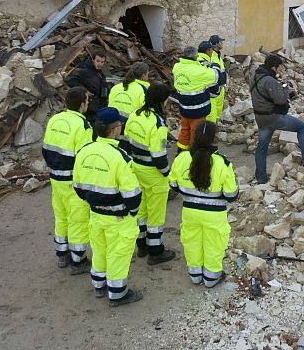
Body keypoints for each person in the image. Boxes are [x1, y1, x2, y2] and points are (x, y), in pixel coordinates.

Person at [73, 107, 143, 307]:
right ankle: (118, 293)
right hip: (118, 217)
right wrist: (132, 211)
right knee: (118, 254)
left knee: (100, 250)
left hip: (96, 214)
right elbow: (132, 194)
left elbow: (77, 186)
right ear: (115, 130)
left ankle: (99, 284)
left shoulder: (84, 152)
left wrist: (94, 202)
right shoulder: (120, 157)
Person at [168, 121, 238, 287]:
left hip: (190, 211)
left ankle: (195, 275)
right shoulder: (222, 162)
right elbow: (231, 194)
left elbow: (173, 185)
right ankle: (211, 278)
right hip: (215, 215)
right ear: (214, 139)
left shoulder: (182, 158)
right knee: (214, 244)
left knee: (192, 242)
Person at [41, 86, 93, 273]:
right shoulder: (83, 126)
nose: (88, 103)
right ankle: (78, 261)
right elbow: (84, 159)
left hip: (56, 177)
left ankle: (61, 254)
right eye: (87, 100)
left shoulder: (55, 119)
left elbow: (46, 148)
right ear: (81, 104)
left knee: (61, 216)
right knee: (77, 219)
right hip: (72, 180)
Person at [124, 82, 177, 265]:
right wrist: (167, 174)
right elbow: (159, 156)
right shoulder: (158, 124)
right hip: (153, 174)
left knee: (142, 210)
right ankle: (156, 251)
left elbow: (127, 138)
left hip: (137, 168)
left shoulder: (135, 114)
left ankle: (142, 246)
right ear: (161, 101)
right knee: (155, 216)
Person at [250, 54, 304, 184]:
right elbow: (280, 100)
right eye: (280, 68)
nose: (280, 71)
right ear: (273, 67)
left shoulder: (254, 76)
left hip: (260, 117)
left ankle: (261, 178)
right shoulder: (269, 80)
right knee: (301, 127)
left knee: (262, 147)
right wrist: (286, 89)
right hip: (273, 117)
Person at [172, 45, 220, 152]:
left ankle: (181, 151)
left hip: (184, 109)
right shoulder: (199, 71)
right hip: (198, 111)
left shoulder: (177, 67)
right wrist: (214, 65)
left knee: (185, 131)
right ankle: (194, 153)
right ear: (196, 56)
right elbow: (217, 77)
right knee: (196, 133)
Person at [66, 51, 108, 122]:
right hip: (88, 107)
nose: (100, 64)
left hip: (98, 106)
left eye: (102, 62)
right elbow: (71, 81)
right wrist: (85, 91)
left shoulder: (100, 73)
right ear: (93, 60)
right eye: (98, 61)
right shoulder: (85, 71)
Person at [208, 35, 227, 123]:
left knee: (218, 108)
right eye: (220, 41)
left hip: (221, 87)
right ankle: (210, 127)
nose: (222, 43)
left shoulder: (218, 56)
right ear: (216, 43)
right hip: (214, 88)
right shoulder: (211, 56)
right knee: (212, 110)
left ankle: (215, 126)